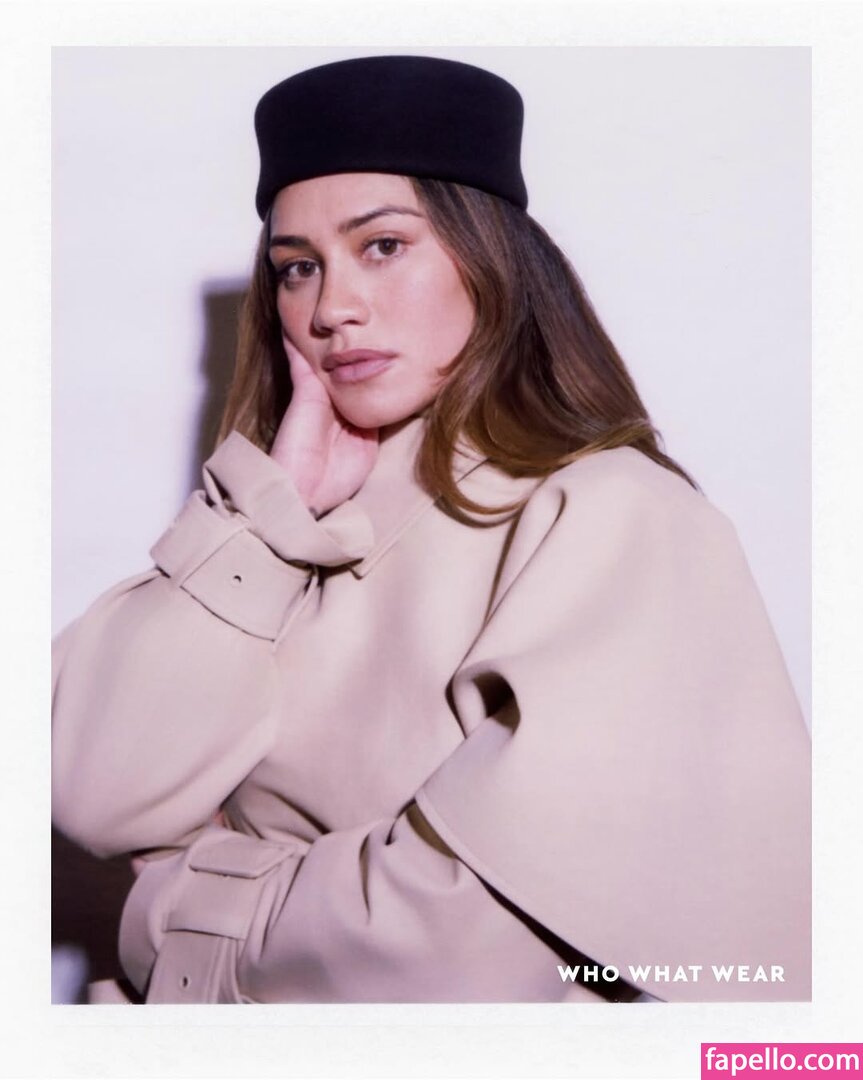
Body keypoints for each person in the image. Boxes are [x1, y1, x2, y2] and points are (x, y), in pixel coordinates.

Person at [51, 54, 810, 1005]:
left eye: (382, 246)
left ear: (489, 260)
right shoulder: (279, 519)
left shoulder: (612, 517)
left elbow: (467, 952)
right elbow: (90, 791)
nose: (331, 309)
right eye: (297, 268)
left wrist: (179, 906)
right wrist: (267, 519)